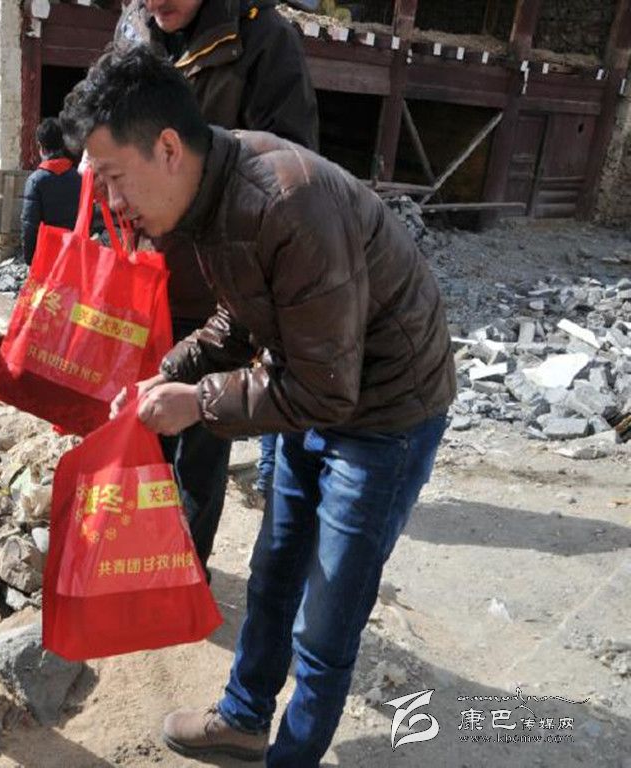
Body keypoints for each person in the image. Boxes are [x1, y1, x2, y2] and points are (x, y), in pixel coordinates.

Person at [61, 47, 455, 766]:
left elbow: (328, 390)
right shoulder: (210, 197)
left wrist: (198, 402)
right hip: (309, 381)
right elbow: (241, 318)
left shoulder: (285, 202)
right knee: (274, 573)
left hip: (386, 413)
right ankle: (244, 719)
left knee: (325, 622)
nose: (111, 204)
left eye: (113, 178)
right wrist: (168, 372)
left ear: (168, 148)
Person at [113, 0, 320, 563]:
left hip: (216, 288)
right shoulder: (134, 27)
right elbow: (105, 109)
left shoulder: (264, 38)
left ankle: (184, 571)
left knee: (200, 445)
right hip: (145, 280)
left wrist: (184, 174)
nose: (156, 3)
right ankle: (137, 563)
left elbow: (286, 168)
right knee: (141, 429)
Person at [21, 117, 81, 265]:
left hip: (46, 258)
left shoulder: (35, 181)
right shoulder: (78, 178)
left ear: (40, 147)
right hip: (72, 255)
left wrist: (30, 259)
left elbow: (30, 226)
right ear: (63, 144)